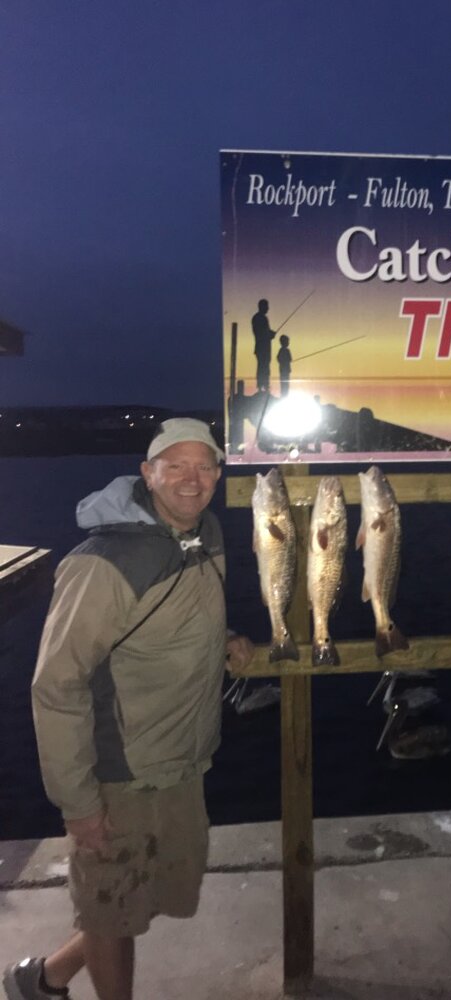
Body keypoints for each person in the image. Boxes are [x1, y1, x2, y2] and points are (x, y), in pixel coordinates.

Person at [4, 418, 254, 1000]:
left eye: (205, 466)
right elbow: (56, 686)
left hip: (181, 762)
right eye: (176, 466)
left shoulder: (206, 532)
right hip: (120, 774)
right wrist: (80, 804)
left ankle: (43, 977)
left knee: (136, 899)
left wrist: (224, 639)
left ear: (219, 474)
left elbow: (166, 621)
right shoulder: (103, 562)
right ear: (148, 472)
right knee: (113, 909)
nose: (192, 480)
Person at [251, 298, 276, 392]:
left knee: (263, 366)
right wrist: (270, 335)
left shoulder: (258, 317)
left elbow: (264, 332)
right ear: (262, 306)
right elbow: (261, 333)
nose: (268, 308)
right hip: (263, 348)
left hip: (262, 347)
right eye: (266, 306)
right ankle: (263, 387)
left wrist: (270, 334)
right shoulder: (260, 318)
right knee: (263, 367)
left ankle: (263, 386)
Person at [277, 333, 292, 398]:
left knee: (283, 383)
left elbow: (278, 358)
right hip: (285, 370)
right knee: (285, 383)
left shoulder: (281, 350)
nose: (288, 343)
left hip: (283, 370)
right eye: (287, 341)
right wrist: (286, 361)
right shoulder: (286, 350)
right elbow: (290, 359)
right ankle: (284, 395)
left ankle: (284, 395)